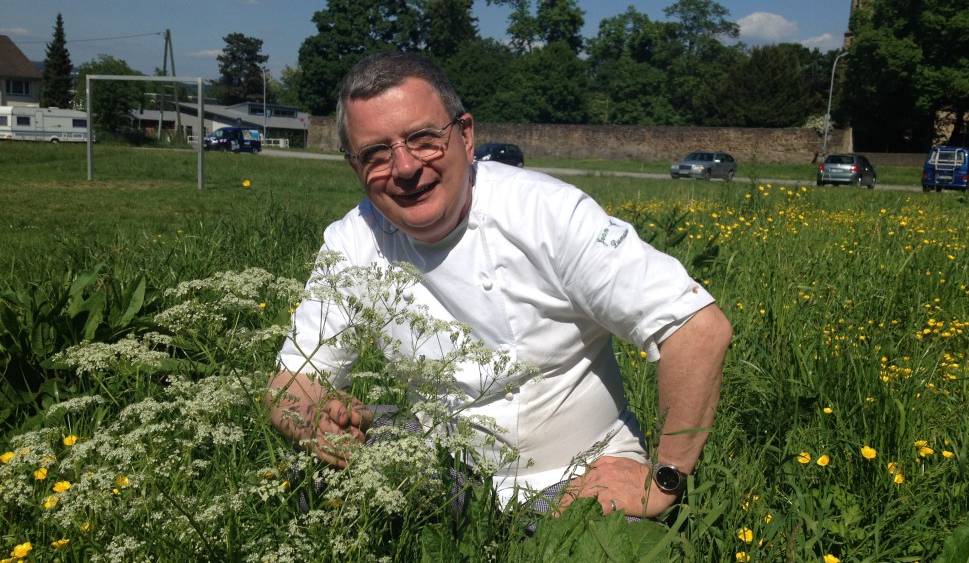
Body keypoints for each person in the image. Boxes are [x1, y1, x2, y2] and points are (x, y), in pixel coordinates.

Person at [266, 51, 732, 520]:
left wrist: (664, 479)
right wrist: (315, 420)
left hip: (578, 477)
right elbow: (292, 382)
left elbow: (696, 328)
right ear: (355, 167)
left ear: (465, 137)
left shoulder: (545, 213)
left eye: (423, 140)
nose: (405, 168)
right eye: (377, 154)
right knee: (307, 496)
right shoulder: (353, 242)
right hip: (438, 466)